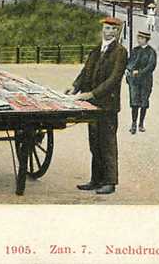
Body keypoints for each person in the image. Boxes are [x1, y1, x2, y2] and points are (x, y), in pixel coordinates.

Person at [66, 17, 127, 195]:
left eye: (112, 29)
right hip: (92, 104)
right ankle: (96, 179)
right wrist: (75, 86)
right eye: (106, 28)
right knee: (94, 142)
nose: (108, 31)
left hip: (107, 105)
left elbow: (114, 79)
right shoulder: (96, 50)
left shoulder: (120, 52)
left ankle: (110, 182)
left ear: (117, 32)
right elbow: (86, 71)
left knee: (107, 143)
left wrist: (92, 94)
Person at [126, 30, 157, 134]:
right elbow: (129, 62)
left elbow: (151, 66)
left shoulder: (151, 52)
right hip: (134, 81)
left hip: (145, 80)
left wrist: (139, 72)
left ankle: (141, 123)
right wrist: (128, 70)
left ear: (146, 40)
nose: (139, 40)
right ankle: (133, 123)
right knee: (134, 102)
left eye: (141, 38)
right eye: (138, 38)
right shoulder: (135, 50)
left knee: (144, 102)